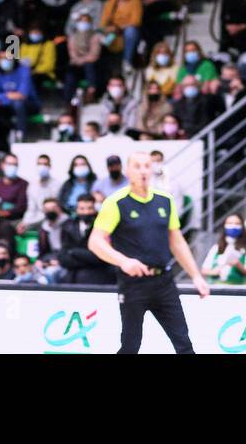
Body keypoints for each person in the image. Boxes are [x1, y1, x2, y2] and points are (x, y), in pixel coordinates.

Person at [88, 151, 210, 353]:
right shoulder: (116, 202)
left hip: (164, 282)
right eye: (137, 166)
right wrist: (123, 261)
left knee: (184, 344)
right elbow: (95, 242)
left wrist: (196, 276)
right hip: (133, 284)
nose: (143, 171)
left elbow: (177, 242)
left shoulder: (165, 200)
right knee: (130, 346)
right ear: (127, 171)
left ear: (152, 170)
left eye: (147, 166)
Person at [201, 213, 246, 285]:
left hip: (237, 290)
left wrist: (238, 265)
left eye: (237, 224)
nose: (233, 226)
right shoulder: (216, 247)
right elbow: (204, 270)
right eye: (230, 223)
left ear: (242, 226)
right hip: (215, 287)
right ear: (224, 226)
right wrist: (215, 271)